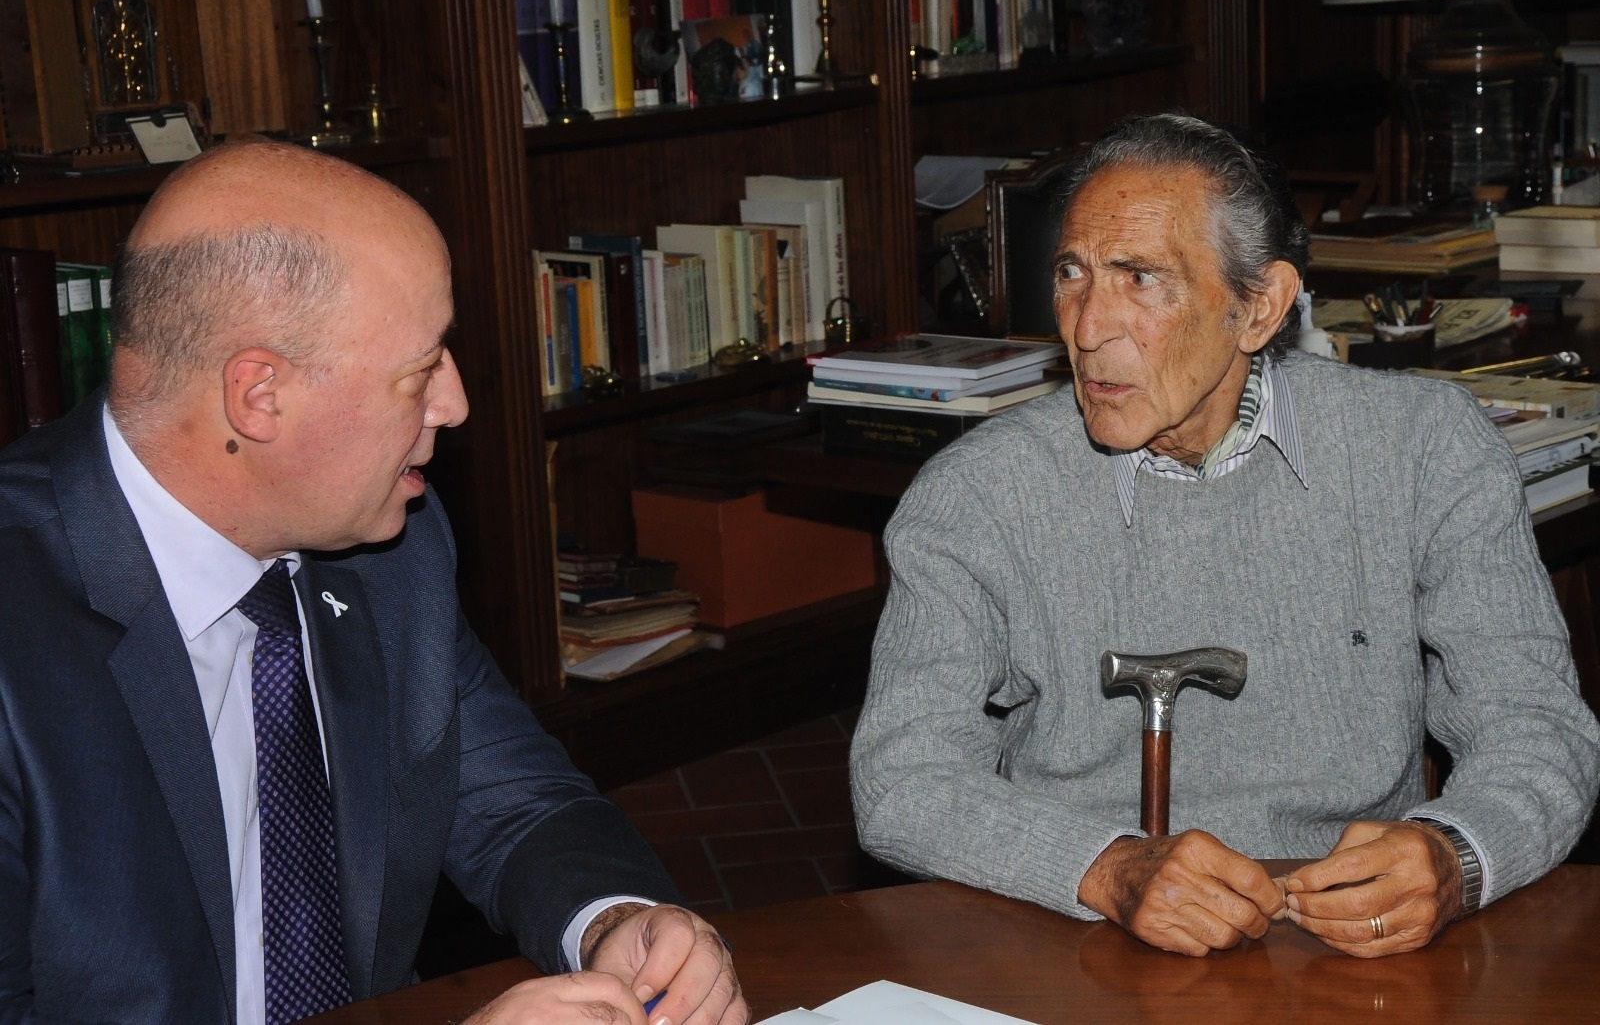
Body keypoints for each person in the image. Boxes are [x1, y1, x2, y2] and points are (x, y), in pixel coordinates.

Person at [0, 139, 746, 1025]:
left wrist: (614, 920)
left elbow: (513, 800)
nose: (456, 405)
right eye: (418, 372)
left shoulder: (393, 549)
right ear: (259, 395)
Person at [850, 112, 1600, 960]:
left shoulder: (1422, 449)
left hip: (1353, 944)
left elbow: (1537, 724)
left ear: (1259, 308)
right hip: (1079, 935)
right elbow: (903, 778)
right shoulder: (976, 498)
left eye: (1141, 280)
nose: (1089, 325)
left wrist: (1456, 853)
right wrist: (1104, 869)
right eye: (1072, 272)